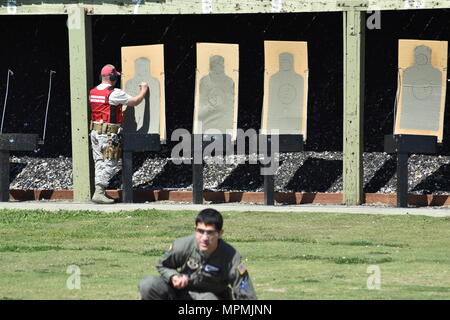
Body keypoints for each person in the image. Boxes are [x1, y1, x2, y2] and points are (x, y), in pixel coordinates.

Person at [139, 208, 257, 300]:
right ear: (195, 229)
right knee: (149, 284)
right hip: (181, 293)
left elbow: (244, 289)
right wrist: (173, 276)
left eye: (210, 233)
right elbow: (163, 265)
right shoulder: (182, 245)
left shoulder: (231, 257)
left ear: (220, 233)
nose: (204, 238)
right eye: (200, 231)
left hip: (211, 296)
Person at [89, 64, 148, 204]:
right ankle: (99, 191)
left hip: (95, 132)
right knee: (111, 163)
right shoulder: (114, 93)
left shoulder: (93, 92)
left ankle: (99, 191)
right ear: (113, 77)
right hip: (108, 135)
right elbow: (135, 101)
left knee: (99, 162)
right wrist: (143, 90)